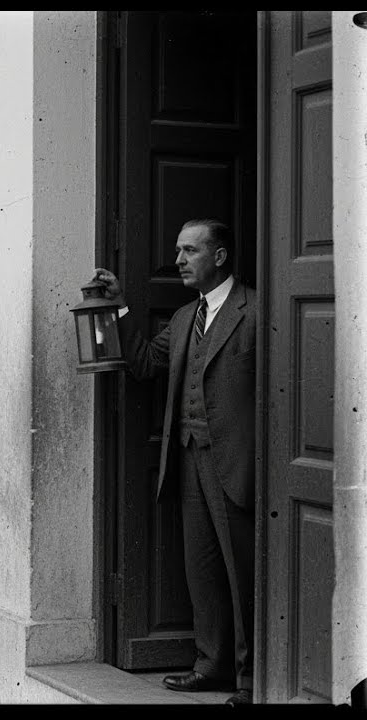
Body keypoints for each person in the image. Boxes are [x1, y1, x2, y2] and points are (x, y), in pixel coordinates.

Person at [93, 218, 256, 706]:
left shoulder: (257, 308)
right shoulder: (186, 317)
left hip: (237, 463)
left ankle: (250, 681)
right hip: (188, 460)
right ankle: (211, 666)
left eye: (190, 251)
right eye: (179, 251)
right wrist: (118, 306)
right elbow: (144, 363)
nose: (179, 260)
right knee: (201, 569)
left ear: (219, 256)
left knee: (240, 571)